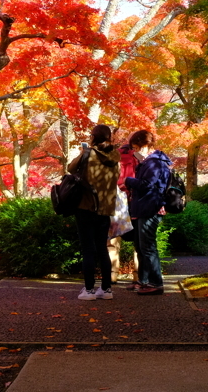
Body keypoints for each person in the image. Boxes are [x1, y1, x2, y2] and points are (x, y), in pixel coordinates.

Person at [67, 124, 120, 300]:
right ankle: (106, 290)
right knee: (102, 249)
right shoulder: (115, 158)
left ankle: (89, 290)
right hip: (105, 209)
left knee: (88, 249)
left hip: (86, 207)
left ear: (93, 137)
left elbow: (71, 168)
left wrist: (83, 153)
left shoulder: (88, 154)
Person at [125, 133, 171, 296]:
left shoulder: (154, 162)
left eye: (136, 148)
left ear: (144, 145)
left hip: (150, 207)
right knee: (140, 246)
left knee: (148, 247)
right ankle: (143, 281)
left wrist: (128, 181)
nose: (135, 151)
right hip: (143, 206)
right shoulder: (150, 162)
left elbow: (147, 185)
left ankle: (156, 283)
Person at [110, 130, 150, 289]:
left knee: (113, 240)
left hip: (116, 200)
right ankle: (137, 275)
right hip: (135, 201)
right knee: (138, 242)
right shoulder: (139, 158)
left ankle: (112, 274)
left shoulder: (114, 156)